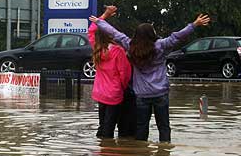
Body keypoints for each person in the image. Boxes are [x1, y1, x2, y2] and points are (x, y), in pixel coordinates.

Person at [90, 8, 210, 142]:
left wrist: (100, 22)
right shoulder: (161, 46)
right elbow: (177, 37)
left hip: (142, 94)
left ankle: (142, 155)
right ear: (152, 34)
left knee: (141, 126)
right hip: (160, 93)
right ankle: (164, 154)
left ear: (136, 35)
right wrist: (194, 25)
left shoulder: (131, 46)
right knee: (164, 126)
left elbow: (116, 34)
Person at [88, 6, 132, 139]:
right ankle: (107, 151)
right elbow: (125, 74)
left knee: (102, 123)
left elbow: (91, 31)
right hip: (114, 93)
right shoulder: (118, 51)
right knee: (110, 125)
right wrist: (122, 87)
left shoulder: (96, 48)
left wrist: (105, 15)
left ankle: (101, 148)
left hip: (100, 92)